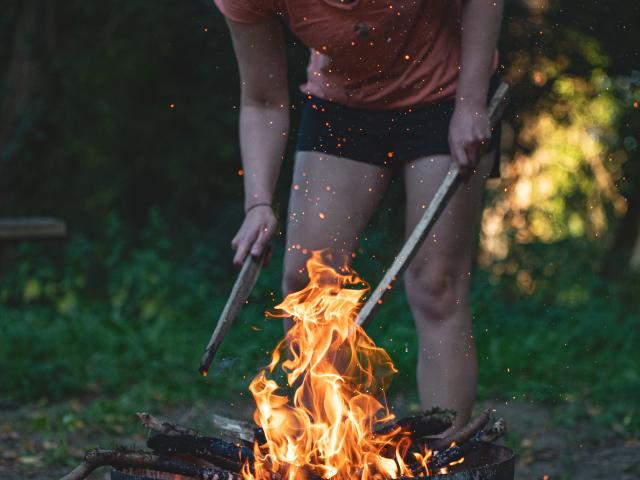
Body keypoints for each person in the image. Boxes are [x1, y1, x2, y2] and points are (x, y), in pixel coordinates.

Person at [215, 0, 504, 428]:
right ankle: (323, 452)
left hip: (446, 97)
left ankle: (448, 458)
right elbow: (262, 100)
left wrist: (472, 103)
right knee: (308, 285)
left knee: (435, 286)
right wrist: (257, 202)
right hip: (342, 107)